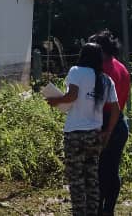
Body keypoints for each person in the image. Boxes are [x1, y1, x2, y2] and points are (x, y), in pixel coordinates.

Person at [46, 43, 120, 216]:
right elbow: (116, 109)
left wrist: (55, 101)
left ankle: (79, 212)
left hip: (75, 134)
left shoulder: (76, 71)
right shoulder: (106, 79)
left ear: (82, 55)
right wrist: (107, 132)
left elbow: (72, 96)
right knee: (91, 179)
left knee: (76, 180)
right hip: (95, 134)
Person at [88, 30, 131, 216]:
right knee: (112, 169)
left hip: (104, 122)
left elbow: (95, 101)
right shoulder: (121, 68)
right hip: (120, 123)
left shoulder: (101, 69)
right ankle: (108, 209)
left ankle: (97, 209)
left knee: (98, 171)